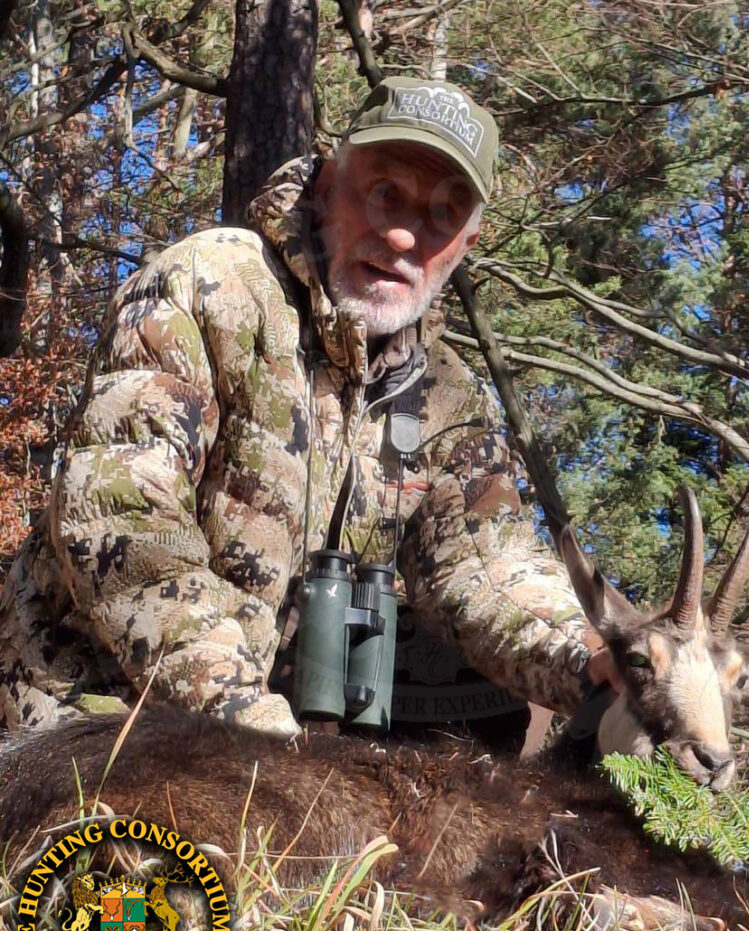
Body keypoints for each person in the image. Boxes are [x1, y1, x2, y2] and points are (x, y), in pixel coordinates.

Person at [0, 77, 606, 736]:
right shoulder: (208, 286)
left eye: (443, 214)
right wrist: (239, 714)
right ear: (325, 185)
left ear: (467, 243)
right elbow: (123, 518)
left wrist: (600, 659)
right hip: (91, 721)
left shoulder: (447, 396)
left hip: (270, 744)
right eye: (384, 194)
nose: (405, 236)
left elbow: (487, 567)